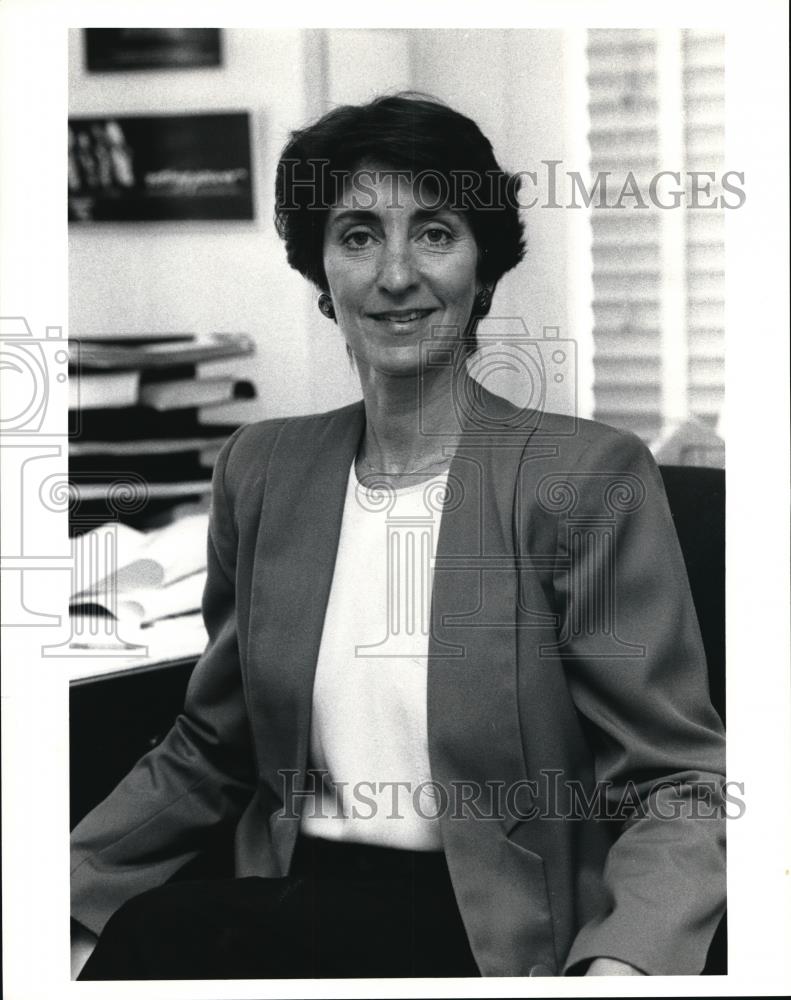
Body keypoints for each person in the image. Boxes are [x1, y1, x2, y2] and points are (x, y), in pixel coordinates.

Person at [71, 93, 726, 979]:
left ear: (482, 267)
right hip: (283, 903)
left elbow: (675, 784)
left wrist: (623, 965)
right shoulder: (261, 468)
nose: (393, 274)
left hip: (483, 926)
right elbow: (211, 749)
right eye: (356, 235)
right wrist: (57, 887)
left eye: (433, 232)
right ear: (321, 277)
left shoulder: (582, 476)